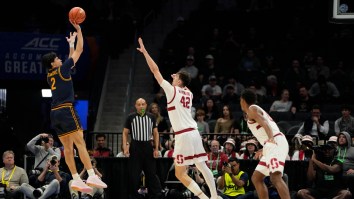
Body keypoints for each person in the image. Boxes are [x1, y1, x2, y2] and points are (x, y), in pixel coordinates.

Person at [137, 37, 221, 199]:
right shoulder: (188, 92)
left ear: (179, 81)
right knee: (202, 166)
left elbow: (155, 71)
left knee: (180, 173)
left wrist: (145, 52)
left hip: (183, 135)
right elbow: (186, 81)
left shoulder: (171, 90)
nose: (172, 77)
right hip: (195, 133)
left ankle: (204, 198)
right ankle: (214, 196)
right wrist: (181, 77)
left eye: (175, 77)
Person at [41, 21, 106, 193]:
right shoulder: (62, 70)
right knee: (80, 143)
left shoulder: (50, 76)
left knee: (68, 148)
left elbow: (71, 62)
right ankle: (91, 174)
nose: (59, 59)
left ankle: (76, 179)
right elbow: (80, 51)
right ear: (53, 64)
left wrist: (70, 44)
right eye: (56, 58)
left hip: (54, 114)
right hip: (66, 110)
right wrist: (79, 30)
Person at [240, 89, 290, 199]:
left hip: (275, 141)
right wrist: (264, 148)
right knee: (256, 178)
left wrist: (271, 139)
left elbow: (265, 123)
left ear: (243, 100)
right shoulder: (252, 110)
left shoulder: (252, 109)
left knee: (275, 177)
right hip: (271, 143)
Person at [122, 98, 162, 199]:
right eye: (139, 104)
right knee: (134, 174)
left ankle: (154, 196)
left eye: (143, 104)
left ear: (146, 105)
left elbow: (156, 133)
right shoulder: (130, 117)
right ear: (136, 106)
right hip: (135, 146)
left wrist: (156, 148)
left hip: (147, 146)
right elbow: (125, 133)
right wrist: (125, 146)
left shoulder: (151, 117)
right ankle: (133, 196)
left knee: (151, 173)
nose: (141, 106)